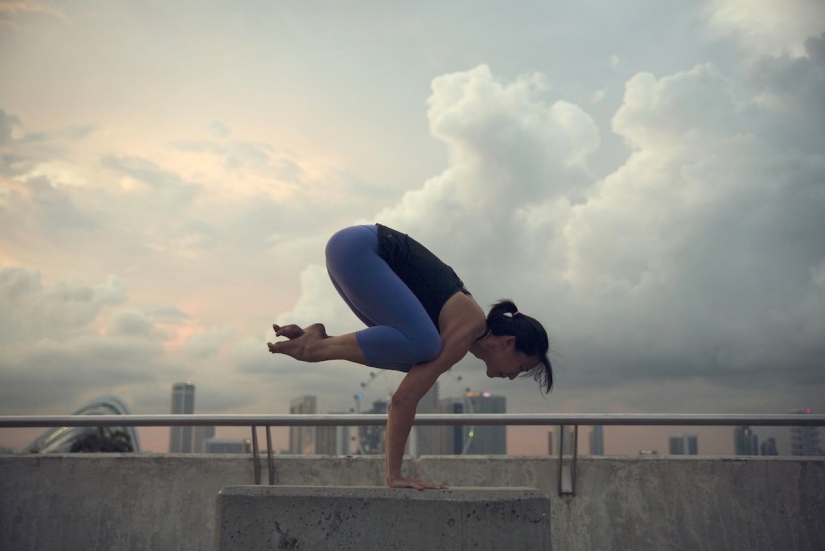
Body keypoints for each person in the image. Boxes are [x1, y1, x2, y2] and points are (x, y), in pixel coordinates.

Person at [267, 223, 553, 490]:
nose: (514, 376)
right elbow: (403, 400)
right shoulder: (469, 325)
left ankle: (320, 339)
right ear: (508, 343)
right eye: (521, 367)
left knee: (414, 359)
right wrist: (394, 476)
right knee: (426, 349)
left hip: (350, 249)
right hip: (359, 248)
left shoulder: (463, 327)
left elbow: (404, 388)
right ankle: (315, 349)